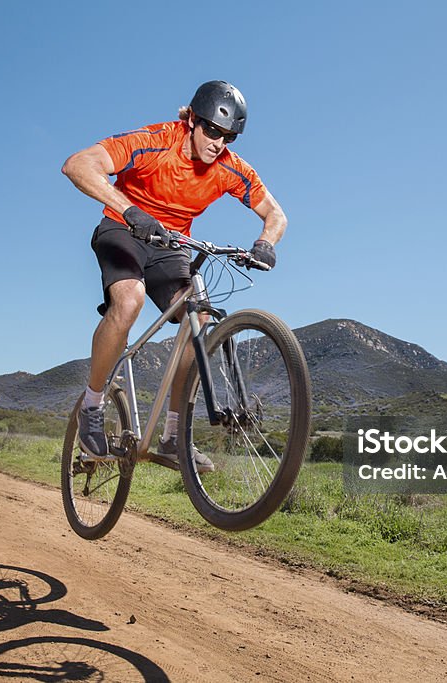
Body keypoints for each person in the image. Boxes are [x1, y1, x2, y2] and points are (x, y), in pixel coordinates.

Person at [61, 80, 287, 472]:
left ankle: (171, 437)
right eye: (212, 131)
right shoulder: (155, 141)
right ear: (192, 120)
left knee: (197, 319)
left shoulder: (229, 168)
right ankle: (92, 407)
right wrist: (129, 209)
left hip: (170, 245)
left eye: (228, 136)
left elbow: (276, 214)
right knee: (128, 301)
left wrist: (266, 243)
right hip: (123, 229)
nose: (219, 142)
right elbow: (78, 164)